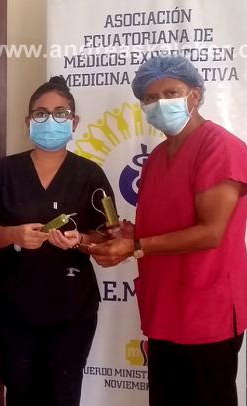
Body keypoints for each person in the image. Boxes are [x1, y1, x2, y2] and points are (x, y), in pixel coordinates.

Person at [88, 55, 247, 406]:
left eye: (171, 92)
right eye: (150, 97)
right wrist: (128, 233)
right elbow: (165, 222)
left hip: (206, 310)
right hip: (164, 308)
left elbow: (210, 232)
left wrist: (136, 245)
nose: (160, 103)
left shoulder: (219, 147)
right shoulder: (158, 156)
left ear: (194, 95)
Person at [0, 76, 116, 406]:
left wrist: (80, 239)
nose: (50, 120)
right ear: (28, 121)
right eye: (41, 113)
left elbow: (106, 235)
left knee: (63, 393)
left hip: (71, 309)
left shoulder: (90, 174)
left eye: (60, 113)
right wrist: (15, 234)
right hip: (13, 306)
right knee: (20, 391)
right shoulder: (6, 170)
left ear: (74, 121)